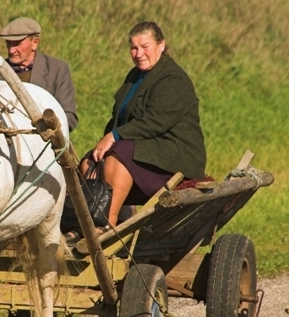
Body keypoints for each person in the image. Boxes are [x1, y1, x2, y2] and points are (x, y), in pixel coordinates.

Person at [72, 21, 206, 239]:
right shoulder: (134, 76)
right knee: (89, 161)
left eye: (145, 46)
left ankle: (107, 225)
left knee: (119, 155)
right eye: (134, 48)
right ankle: (84, 224)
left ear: (161, 45)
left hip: (175, 153)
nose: (139, 53)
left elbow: (156, 122)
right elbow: (119, 118)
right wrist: (104, 143)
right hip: (145, 146)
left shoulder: (173, 79)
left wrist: (114, 137)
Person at [0, 17, 78, 131]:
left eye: (17, 44)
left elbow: (69, 117)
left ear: (35, 43)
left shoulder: (57, 69)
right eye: (9, 43)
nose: (11, 50)